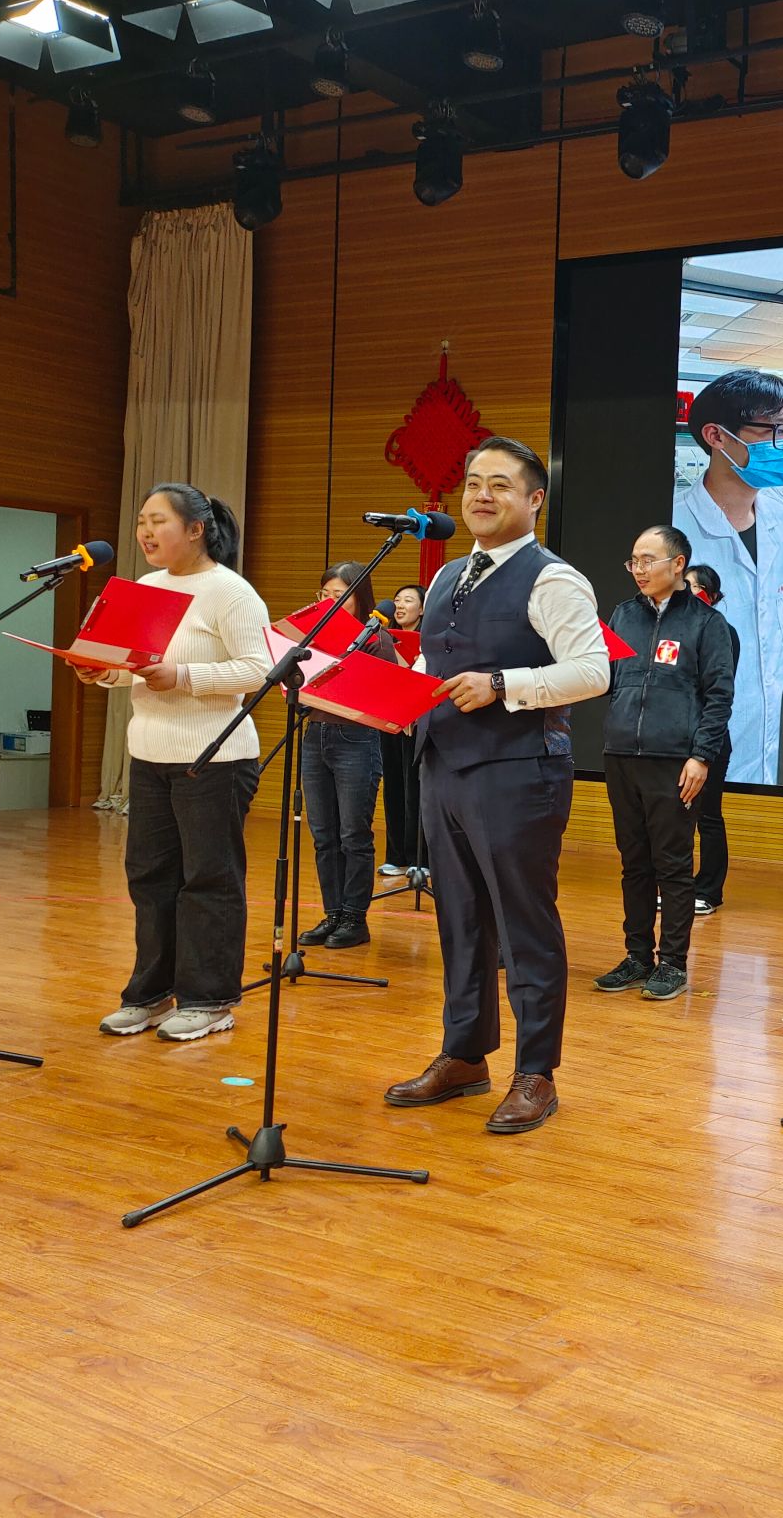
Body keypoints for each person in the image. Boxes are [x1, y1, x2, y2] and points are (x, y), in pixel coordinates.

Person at [383, 436, 609, 1135]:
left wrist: (504, 684)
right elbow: (432, 663)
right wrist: (383, 691)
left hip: (519, 771)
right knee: (458, 918)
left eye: (501, 484)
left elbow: (593, 670)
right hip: (443, 765)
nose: (482, 495)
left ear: (535, 499)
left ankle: (536, 1072)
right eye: (474, 482)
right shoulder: (447, 576)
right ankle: (464, 1055)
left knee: (524, 924)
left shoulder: (554, 580)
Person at [80, 484, 269, 1042]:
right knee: (149, 876)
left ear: (195, 529)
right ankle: (151, 994)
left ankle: (210, 999)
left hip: (214, 757)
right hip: (150, 752)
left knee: (208, 878)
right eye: (141, 520)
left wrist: (185, 676)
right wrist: (102, 672)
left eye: (157, 520)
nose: (145, 532)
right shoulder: (144, 587)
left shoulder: (230, 592)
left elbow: (261, 669)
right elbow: (133, 664)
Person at [593, 526, 736, 1003]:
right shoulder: (623, 614)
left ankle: (672, 962)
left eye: (647, 560)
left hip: (675, 761)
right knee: (633, 863)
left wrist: (701, 756)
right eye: (633, 561)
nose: (638, 570)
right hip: (621, 755)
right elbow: (607, 678)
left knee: (672, 866)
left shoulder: (706, 623)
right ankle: (637, 956)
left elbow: (719, 697)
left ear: (678, 564)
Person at [674, 369, 783, 784]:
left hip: (773, 729)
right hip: (693, 733)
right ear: (716, 436)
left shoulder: (781, 514)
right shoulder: (673, 527)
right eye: (776, 431)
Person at [295, 562, 401, 951]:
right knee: (323, 834)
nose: (330, 601)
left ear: (360, 598)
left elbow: (385, 693)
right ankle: (333, 913)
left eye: (339, 595)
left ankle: (355, 918)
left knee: (353, 834)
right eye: (324, 594)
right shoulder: (315, 635)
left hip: (355, 738)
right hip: (315, 734)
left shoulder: (376, 638)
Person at [686, 562, 737, 915]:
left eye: (691, 586)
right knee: (676, 819)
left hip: (710, 737)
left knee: (707, 816)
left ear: (711, 595)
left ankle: (708, 891)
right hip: (674, 738)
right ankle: (678, 887)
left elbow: (716, 688)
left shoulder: (722, 631)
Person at [378, 582, 426, 878]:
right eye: (397, 600)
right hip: (390, 720)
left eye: (408, 600)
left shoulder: (431, 640)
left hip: (420, 722)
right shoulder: (382, 638)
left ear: (421, 609)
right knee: (393, 787)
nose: (400, 605)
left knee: (417, 789)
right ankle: (395, 857)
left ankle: (420, 857)